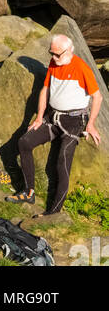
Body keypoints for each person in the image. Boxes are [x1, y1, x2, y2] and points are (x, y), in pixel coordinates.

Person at [11, 34, 103, 216]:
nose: (52, 58)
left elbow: (97, 97)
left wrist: (90, 124)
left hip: (75, 121)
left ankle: (53, 213)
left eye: (57, 54)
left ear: (69, 51)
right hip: (54, 117)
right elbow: (45, 90)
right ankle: (29, 192)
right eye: (51, 53)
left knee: (62, 162)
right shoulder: (55, 64)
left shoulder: (81, 68)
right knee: (24, 142)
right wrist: (39, 118)